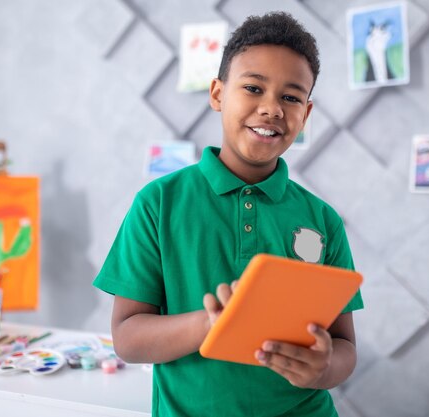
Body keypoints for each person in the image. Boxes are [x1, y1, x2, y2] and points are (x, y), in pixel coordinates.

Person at [94, 11, 364, 417]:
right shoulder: (158, 203)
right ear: (218, 94)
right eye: (254, 88)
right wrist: (213, 323)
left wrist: (323, 367)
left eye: (291, 98)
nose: (272, 108)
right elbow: (128, 340)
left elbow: (344, 347)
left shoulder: (322, 219)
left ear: (305, 115)